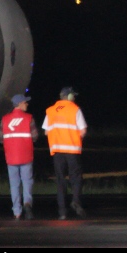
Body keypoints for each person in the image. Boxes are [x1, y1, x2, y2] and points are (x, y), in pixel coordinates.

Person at [43, 86, 88, 219]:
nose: (74, 97)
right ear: (68, 97)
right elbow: (83, 130)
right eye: (73, 95)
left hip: (57, 151)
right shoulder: (75, 110)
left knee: (60, 181)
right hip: (72, 150)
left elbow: (46, 131)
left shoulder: (50, 111)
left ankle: (62, 212)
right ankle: (75, 201)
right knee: (76, 178)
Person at [0, 93, 39, 220]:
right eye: (25, 102)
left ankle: (17, 211)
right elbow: (35, 136)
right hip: (26, 156)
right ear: (20, 104)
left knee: (14, 184)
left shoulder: (4, 119)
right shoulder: (29, 118)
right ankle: (27, 203)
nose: (27, 104)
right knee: (27, 181)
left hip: (11, 157)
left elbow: (1, 138)